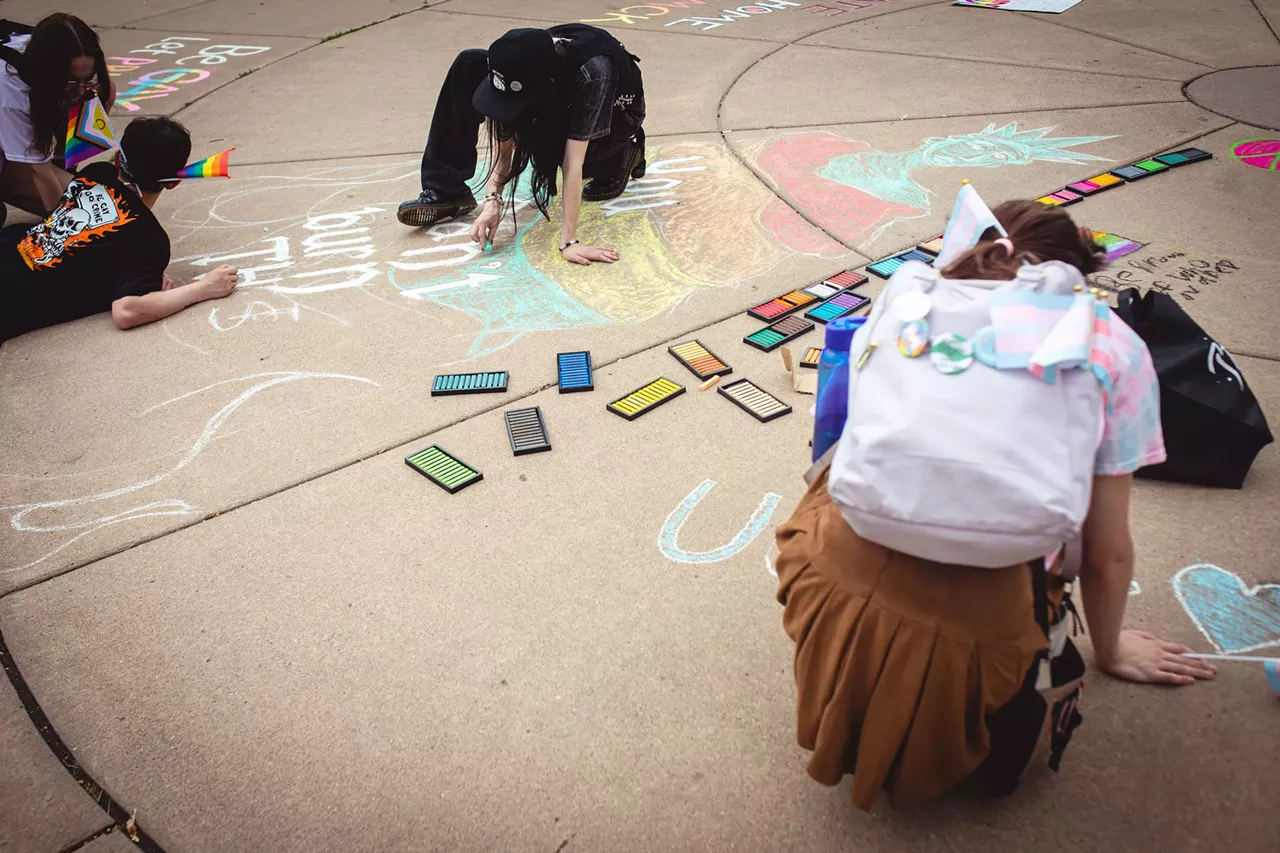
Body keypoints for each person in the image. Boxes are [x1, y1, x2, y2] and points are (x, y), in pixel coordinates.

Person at [774, 200, 1216, 811]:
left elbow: (843, 432)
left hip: (826, 574)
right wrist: (1110, 651)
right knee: (1010, 742)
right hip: (984, 627)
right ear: (1077, 274)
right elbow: (1107, 550)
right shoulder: (1109, 342)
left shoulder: (913, 299)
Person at [396, 25, 646, 266]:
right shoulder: (520, 58)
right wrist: (493, 201)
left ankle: (621, 158)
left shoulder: (594, 73)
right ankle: (446, 190)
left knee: (575, 152)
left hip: (615, 119)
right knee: (470, 62)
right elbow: (506, 136)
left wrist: (569, 242)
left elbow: (573, 162)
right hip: (554, 96)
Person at [0, 116, 238, 343]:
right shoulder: (147, 237)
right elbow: (127, 311)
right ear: (174, 182)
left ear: (116, 159)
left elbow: (93, 241)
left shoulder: (95, 173)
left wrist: (141, 272)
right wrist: (204, 288)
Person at [0, 13, 115, 220]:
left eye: (86, 78)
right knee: (84, 213)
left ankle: (63, 164)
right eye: (71, 81)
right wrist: (62, 230)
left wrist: (64, 167)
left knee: (98, 209)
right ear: (48, 73)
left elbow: (99, 89)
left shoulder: (47, 52)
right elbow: (40, 172)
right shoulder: (11, 90)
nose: (80, 90)